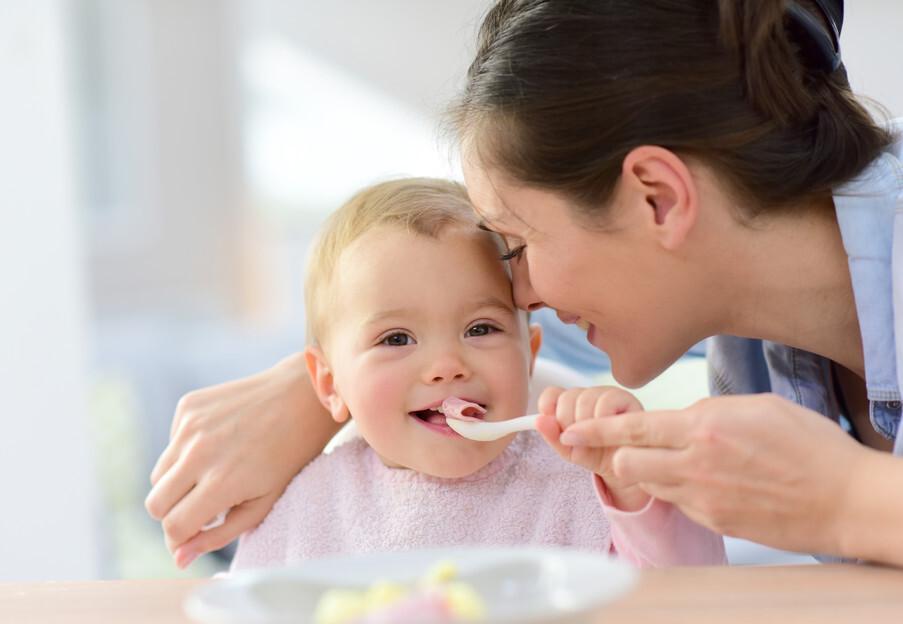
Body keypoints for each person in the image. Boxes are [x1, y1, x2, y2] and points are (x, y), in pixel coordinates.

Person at [145, 0, 903, 568]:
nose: (522, 291)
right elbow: (508, 359)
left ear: (657, 198)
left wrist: (846, 503)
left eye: (515, 244)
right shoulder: (751, 349)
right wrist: (326, 386)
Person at [225, 177, 724, 571]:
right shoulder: (309, 505)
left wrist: (633, 484)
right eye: (396, 338)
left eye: (480, 328)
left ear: (528, 358)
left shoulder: (580, 481)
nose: (446, 367)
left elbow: (689, 597)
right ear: (331, 384)